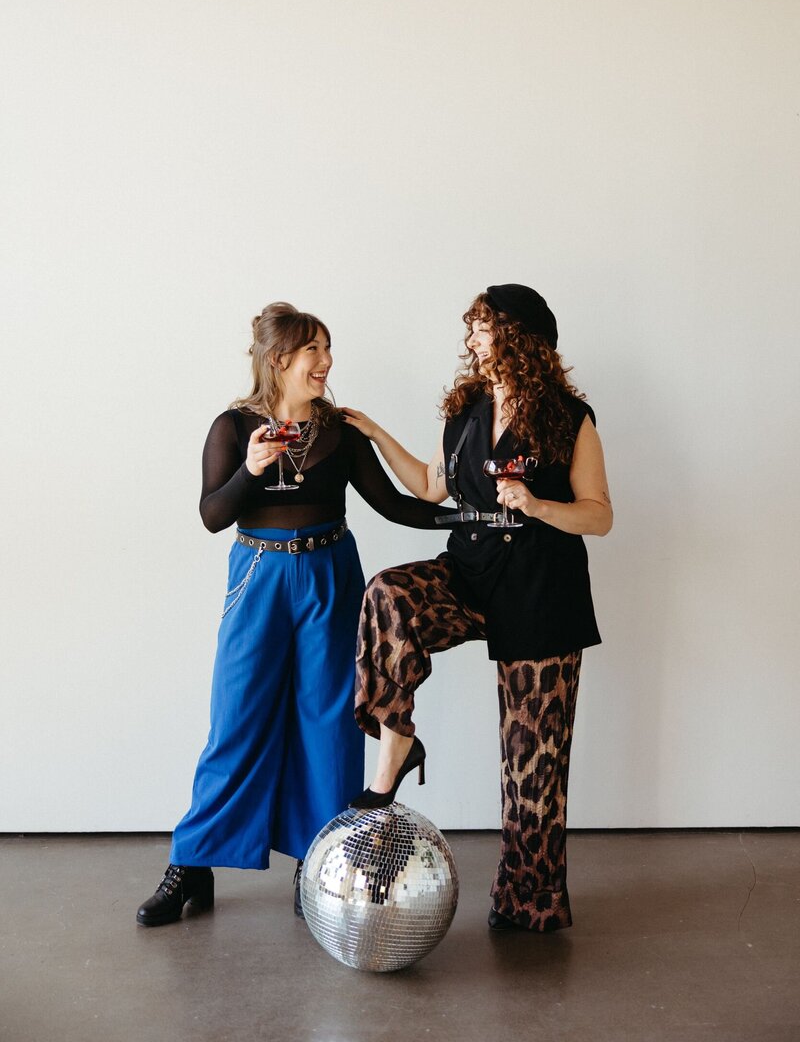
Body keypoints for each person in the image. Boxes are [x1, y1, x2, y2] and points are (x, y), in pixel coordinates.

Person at [136, 302, 444, 927]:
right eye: (315, 352)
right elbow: (213, 515)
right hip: (259, 575)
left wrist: (472, 519)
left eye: (328, 350)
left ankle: (317, 859)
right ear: (280, 360)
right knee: (237, 717)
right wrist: (250, 469)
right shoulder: (232, 426)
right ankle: (192, 864)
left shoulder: (341, 432)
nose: (327, 363)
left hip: (331, 573)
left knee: (328, 722)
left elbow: (394, 506)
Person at [343, 283, 612, 933]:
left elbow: (599, 515)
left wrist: (538, 505)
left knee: (533, 772)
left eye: (482, 328)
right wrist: (374, 432)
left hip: (541, 591)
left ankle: (529, 902)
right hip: (468, 575)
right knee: (388, 595)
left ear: (517, 336)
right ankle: (396, 744)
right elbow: (429, 485)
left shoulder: (569, 417)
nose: (471, 339)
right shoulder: (465, 409)